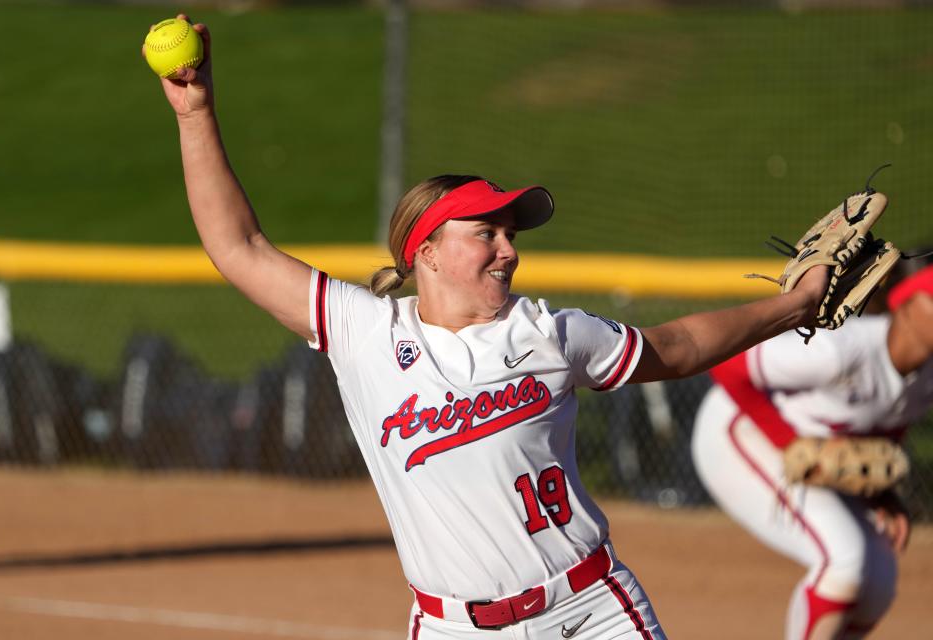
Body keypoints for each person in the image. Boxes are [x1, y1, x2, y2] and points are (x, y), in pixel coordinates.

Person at [149, 17, 829, 639]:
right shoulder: (365, 333)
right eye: (487, 233)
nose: (509, 248)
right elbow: (238, 248)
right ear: (427, 252)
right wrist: (196, 114)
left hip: (591, 613)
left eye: (510, 233)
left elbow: (676, 349)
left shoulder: (550, 334)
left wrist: (794, 306)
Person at [691, 264, 933, 640]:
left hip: (810, 455)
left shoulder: (928, 377)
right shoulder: (841, 350)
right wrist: (795, 445)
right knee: (844, 560)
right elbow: (728, 365)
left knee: (880, 578)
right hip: (740, 431)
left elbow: (889, 420)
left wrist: (881, 495)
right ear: (908, 303)